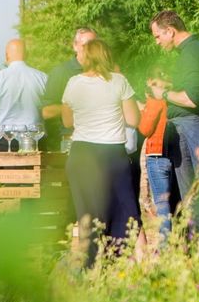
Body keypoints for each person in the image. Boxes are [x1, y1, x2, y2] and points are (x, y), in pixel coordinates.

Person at [62, 39, 141, 263]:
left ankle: (90, 266)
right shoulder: (119, 81)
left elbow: (67, 121)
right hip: (111, 154)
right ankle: (115, 263)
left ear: (86, 57)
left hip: (82, 154)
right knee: (120, 212)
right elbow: (134, 120)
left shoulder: (73, 83)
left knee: (87, 215)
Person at [149, 10, 199, 236]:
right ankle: (192, 252)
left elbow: (192, 97)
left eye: (158, 36)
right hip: (192, 127)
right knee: (188, 197)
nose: (157, 42)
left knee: (191, 197)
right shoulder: (194, 50)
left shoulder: (192, 52)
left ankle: (197, 254)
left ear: (170, 31)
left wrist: (164, 93)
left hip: (190, 129)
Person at [0, 38, 47, 152]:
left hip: (5, 140)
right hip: (35, 141)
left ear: (6, 56)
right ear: (26, 55)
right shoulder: (42, 77)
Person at [139, 64, 182, 244]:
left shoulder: (155, 102)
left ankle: (165, 246)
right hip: (175, 155)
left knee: (162, 204)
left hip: (156, 154)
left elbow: (145, 128)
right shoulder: (176, 100)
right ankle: (181, 242)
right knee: (176, 202)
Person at [41, 27, 97, 152]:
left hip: (102, 140)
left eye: (94, 45)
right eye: (85, 45)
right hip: (73, 141)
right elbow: (46, 112)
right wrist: (77, 107)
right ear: (75, 46)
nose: (90, 50)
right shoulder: (61, 72)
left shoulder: (105, 71)